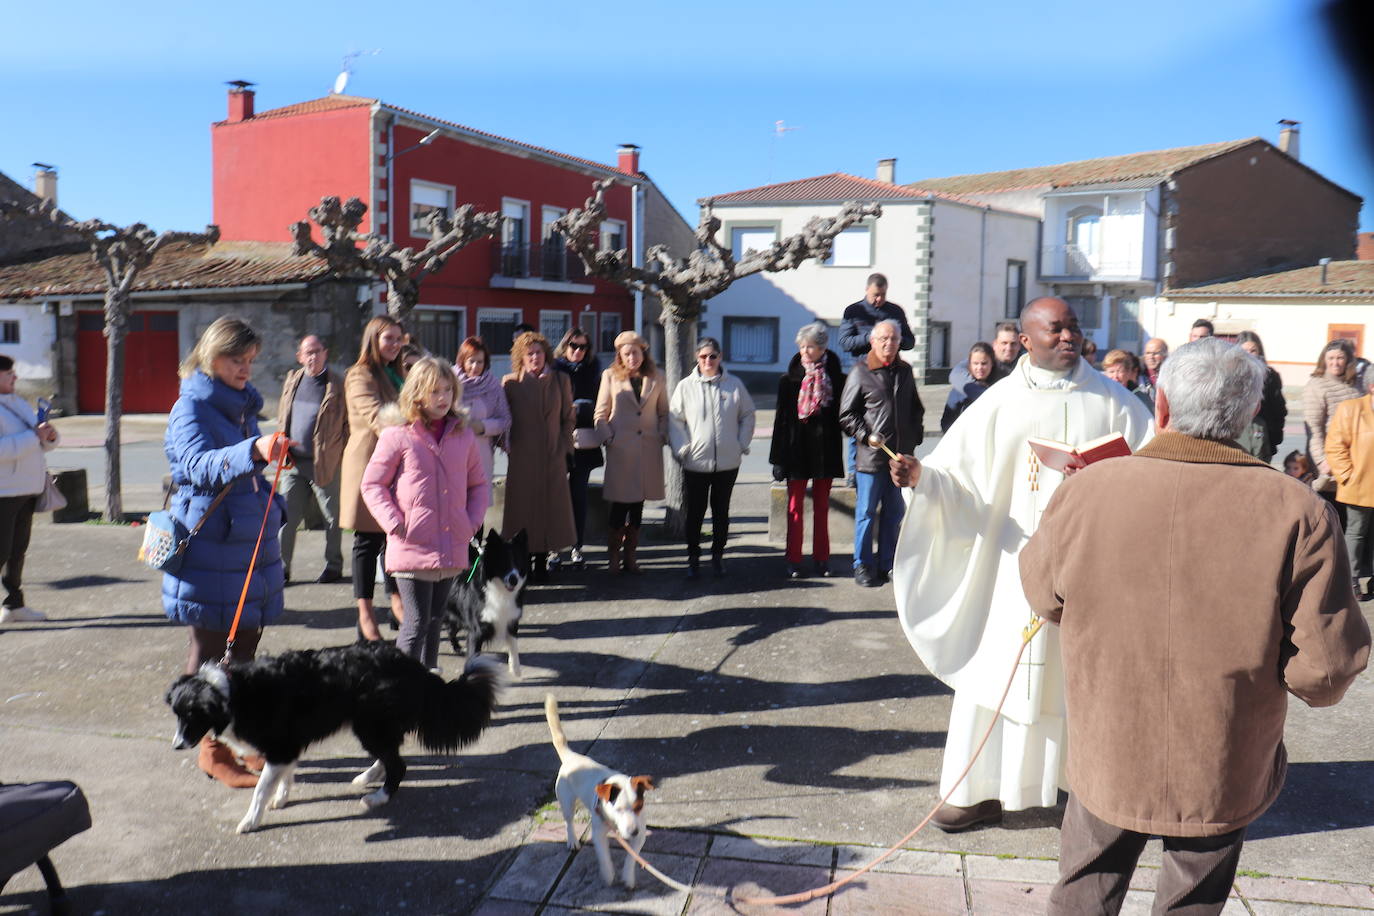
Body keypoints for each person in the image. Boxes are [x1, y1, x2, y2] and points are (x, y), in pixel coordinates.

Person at [1020, 338, 1370, 915]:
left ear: (1161, 405)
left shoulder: (1088, 488)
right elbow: (1326, 668)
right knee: (1193, 899)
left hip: (1110, 735)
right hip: (1223, 746)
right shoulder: (1297, 509)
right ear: (1250, 413)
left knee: (1085, 886)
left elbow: (1042, 595)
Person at [888, 297, 1153, 831]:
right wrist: (922, 480)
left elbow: (1154, 475)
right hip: (1011, 569)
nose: (1067, 337)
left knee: (1082, 681)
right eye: (1054, 329)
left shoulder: (1117, 402)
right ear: (1026, 341)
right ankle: (976, 790)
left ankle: (1087, 794)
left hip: (1091, 573)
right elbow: (957, 481)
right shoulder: (996, 404)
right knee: (996, 672)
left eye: (1073, 328)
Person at [162, 316, 291, 788]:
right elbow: (197, 466)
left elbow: (250, 473)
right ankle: (208, 747)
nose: (246, 369)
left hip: (247, 544)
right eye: (238, 360)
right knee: (211, 647)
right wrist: (254, 449)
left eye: (251, 361)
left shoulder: (240, 407)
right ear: (212, 356)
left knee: (247, 647)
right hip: (210, 549)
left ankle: (239, 738)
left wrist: (272, 505)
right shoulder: (190, 408)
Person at [362, 357, 489, 670]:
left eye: (448, 389)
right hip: (412, 546)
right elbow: (372, 484)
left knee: (434, 622)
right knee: (416, 623)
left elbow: (480, 485)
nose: (443, 397)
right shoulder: (397, 435)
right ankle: (400, 695)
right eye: (435, 391)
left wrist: (470, 524)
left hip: (451, 545)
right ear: (417, 393)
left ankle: (427, 694)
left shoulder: (463, 434)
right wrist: (396, 523)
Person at [840, 320, 924, 588]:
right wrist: (866, 436)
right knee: (865, 513)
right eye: (884, 339)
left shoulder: (905, 371)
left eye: (894, 339)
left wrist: (912, 442)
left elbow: (916, 409)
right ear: (873, 341)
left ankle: (888, 563)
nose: (889, 344)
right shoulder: (860, 372)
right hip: (871, 459)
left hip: (899, 460)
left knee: (894, 514)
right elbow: (846, 414)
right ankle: (862, 564)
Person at [341, 315, 407, 641]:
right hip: (368, 465)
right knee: (367, 541)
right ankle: (365, 614)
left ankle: (396, 604)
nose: (394, 344)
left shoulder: (399, 372)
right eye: (388, 339)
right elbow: (374, 414)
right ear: (373, 339)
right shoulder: (359, 374)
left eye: (398, 339)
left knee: (393, 539)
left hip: (396, 466)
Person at [668, 336, 756, 577]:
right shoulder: (685, 386)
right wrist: (683, 448)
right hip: (695, 463)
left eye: (713, 356)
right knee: (695, 512)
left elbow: (748, 414)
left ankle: (718, 555)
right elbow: (675, 420)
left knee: (721, 511)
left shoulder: (734, 384)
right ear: (697, 358)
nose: (708, 360)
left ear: (720, 357)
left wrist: (741, 443)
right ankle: (693, 557)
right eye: (703, 356)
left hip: (727, 463)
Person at [770, 322, 846, 579]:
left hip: (825, 451)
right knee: (794, 507)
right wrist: (778, 459)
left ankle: (822, 559)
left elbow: (844, 415)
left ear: (822, 348)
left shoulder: (837, 378)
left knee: (822, 507)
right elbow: (780, 422)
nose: (804, 351)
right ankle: (793, 559)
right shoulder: (788, 380)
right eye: (801, 347)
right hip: (796, 452)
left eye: (810, 347)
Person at [502, 331, 576, 582]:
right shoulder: (510, 383)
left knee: (549, 510)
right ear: (521, 357)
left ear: (546, 354)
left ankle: (543, 562)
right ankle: (524, 564)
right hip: (522, 457)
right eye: (529, 354)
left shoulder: (560, 380)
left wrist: (567, 448)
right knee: (523, 511)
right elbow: (504, 419)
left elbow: (568, 418)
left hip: (553, 455)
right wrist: (506, 445)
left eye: (539, 352)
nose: (535, 357)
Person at [594, 331, 668, 575]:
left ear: (643, 353)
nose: (632, 357)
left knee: (638, 507)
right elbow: (600, 414)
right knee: (618, 507)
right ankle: (613, 556)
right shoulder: (610, 376)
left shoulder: (657, 377)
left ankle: (631, 556)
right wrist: (609, 438)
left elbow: (664, 412)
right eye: (627, 354)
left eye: (636, 352)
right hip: (620, 452)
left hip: (647, 451)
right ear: (620, 356)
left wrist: (662, 434)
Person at [276, 335, 347, 585]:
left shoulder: (337, 384)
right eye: (308, 353)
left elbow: (347, 425)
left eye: (317, 351)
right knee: (287, 517)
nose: (313, 357)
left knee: (332, 518)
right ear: (300, 356)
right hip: (292, 463)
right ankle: (281, 569)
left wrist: (339, 454)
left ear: (325, 353)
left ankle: (334, 566)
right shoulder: (293, 380)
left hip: (324, 464)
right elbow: (283, 414)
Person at [838, 273, 915, 486]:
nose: (878, 300)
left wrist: (892, 338)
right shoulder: (854, 311)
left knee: (887, 424)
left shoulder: (895, 311)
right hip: (863, 374)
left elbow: (909, 341)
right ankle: (854, 472)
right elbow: (844, 342)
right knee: (860, 423)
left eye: (882, 295)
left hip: (889, 374)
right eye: (874, 295)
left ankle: (891, 470)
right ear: (866, 290)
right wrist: (873, 336)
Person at [0, 355, 59, 624]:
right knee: (2, 550)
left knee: (18, 550)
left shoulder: (19, 403)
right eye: (9, 373)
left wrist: (49, 437)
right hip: (4, 491)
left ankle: (14, 605)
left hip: (27, 489)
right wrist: (32, 437)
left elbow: (37, 441)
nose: (15, 377)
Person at [553, 327, 603, 568]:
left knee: (578, 496)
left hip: (584, 440)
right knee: (556, 496)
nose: (578, 351)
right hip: (558, 440)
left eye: (583, 347)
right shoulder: (554, 369)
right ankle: (553, 549)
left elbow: (601, 403)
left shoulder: (594, 370)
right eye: (574, 346)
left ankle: (577, 546)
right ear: (565, 346)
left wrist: (583, 407)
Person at [1323, 373, 1374, 598]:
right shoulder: (1350, 409)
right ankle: (1350, 580)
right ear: (1372, 386)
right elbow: (1335, 446)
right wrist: (1348, 476)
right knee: (1356, 533)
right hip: (1359, 486)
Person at [455, 336, 511, 501]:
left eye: (480, 362)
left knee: (477, 507)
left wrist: (483, 426)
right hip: (453, 454)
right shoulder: (450, 382)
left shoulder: (493, 386)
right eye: (471, 361)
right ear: (462, 360)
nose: (475, 366)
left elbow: (505, 420)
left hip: (481, 454)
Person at [1304, 339, 1361, 482]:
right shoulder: (1316, 386)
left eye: (1340, 358)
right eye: (1331, 358)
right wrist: (1321, 460)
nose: (1335, 363)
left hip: (1355, 458)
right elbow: (1314, 429)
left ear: (1348, 360)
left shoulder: (1356, 385)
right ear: (1324, 359)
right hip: (1329, 461)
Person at [1236, 331, 1286, 463]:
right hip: (1236, 438)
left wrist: (1274, 438)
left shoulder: (1270, 376)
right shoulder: (1230, 375)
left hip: (1263, 440)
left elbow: (1279, 410)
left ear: (1259, 352)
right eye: (1245, 350)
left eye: (1253, 350)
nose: (1249, 354)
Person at [941, 341, 1005, 432]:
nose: (979, 368)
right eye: (975, 363)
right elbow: (947, 422)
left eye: (984, 363)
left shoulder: (1001, 385)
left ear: (992, 363)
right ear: (969, 365)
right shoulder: (961, 390)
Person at [948, 322, 1020, 391]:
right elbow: (956, 374)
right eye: (1004, 343)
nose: (1009, 348)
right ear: (995, 344)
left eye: (1013, 344)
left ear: (1019, 345)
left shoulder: (1025, 363)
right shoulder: (982, 359)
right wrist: (981, 392)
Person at [1099, 349, 1153, 415]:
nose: (1115, 376)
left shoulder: (1140, 398)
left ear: (1128, 372)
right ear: (1105, 373)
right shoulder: (1099, 395)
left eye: (1120, 371)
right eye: (1111, 371)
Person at [1138, 337, 1168, 402]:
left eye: (1156, 353)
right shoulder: (1136, 372)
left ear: (1165, 355)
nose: (1151, 357)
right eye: (1148, 353)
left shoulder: (1173, 374)